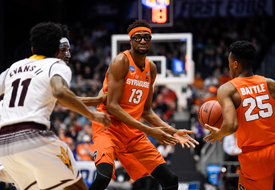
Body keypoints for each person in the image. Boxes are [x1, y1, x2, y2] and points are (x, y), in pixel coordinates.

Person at [89, 20, 199, 190]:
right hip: (108, 128)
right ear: (130, 41)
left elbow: (147, 111)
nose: (142, 41)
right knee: (104, 175)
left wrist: (173, 131)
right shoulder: (121, 61)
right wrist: (149, 130)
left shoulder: (151, 68)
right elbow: (112, 106)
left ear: (150, 40)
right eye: (137, 37)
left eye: (146, 37)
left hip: (132, 132)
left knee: (170, 180)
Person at [0, 22, 111, 190]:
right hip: (33, 137)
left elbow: (61, 99)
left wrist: (95, 100)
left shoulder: (13, 68)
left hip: (4, 144)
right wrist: (92, 115)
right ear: (56, 50)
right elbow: (60, 93)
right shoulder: (56, 65)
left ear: (32, 50)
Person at [203, 40, 275, 189]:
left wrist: (218, 134)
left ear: (235, 64)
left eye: (229, 63)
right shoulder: (270, 84)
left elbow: (230, 126)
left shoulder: (227, 89)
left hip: (255, 158)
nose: (229, 67)